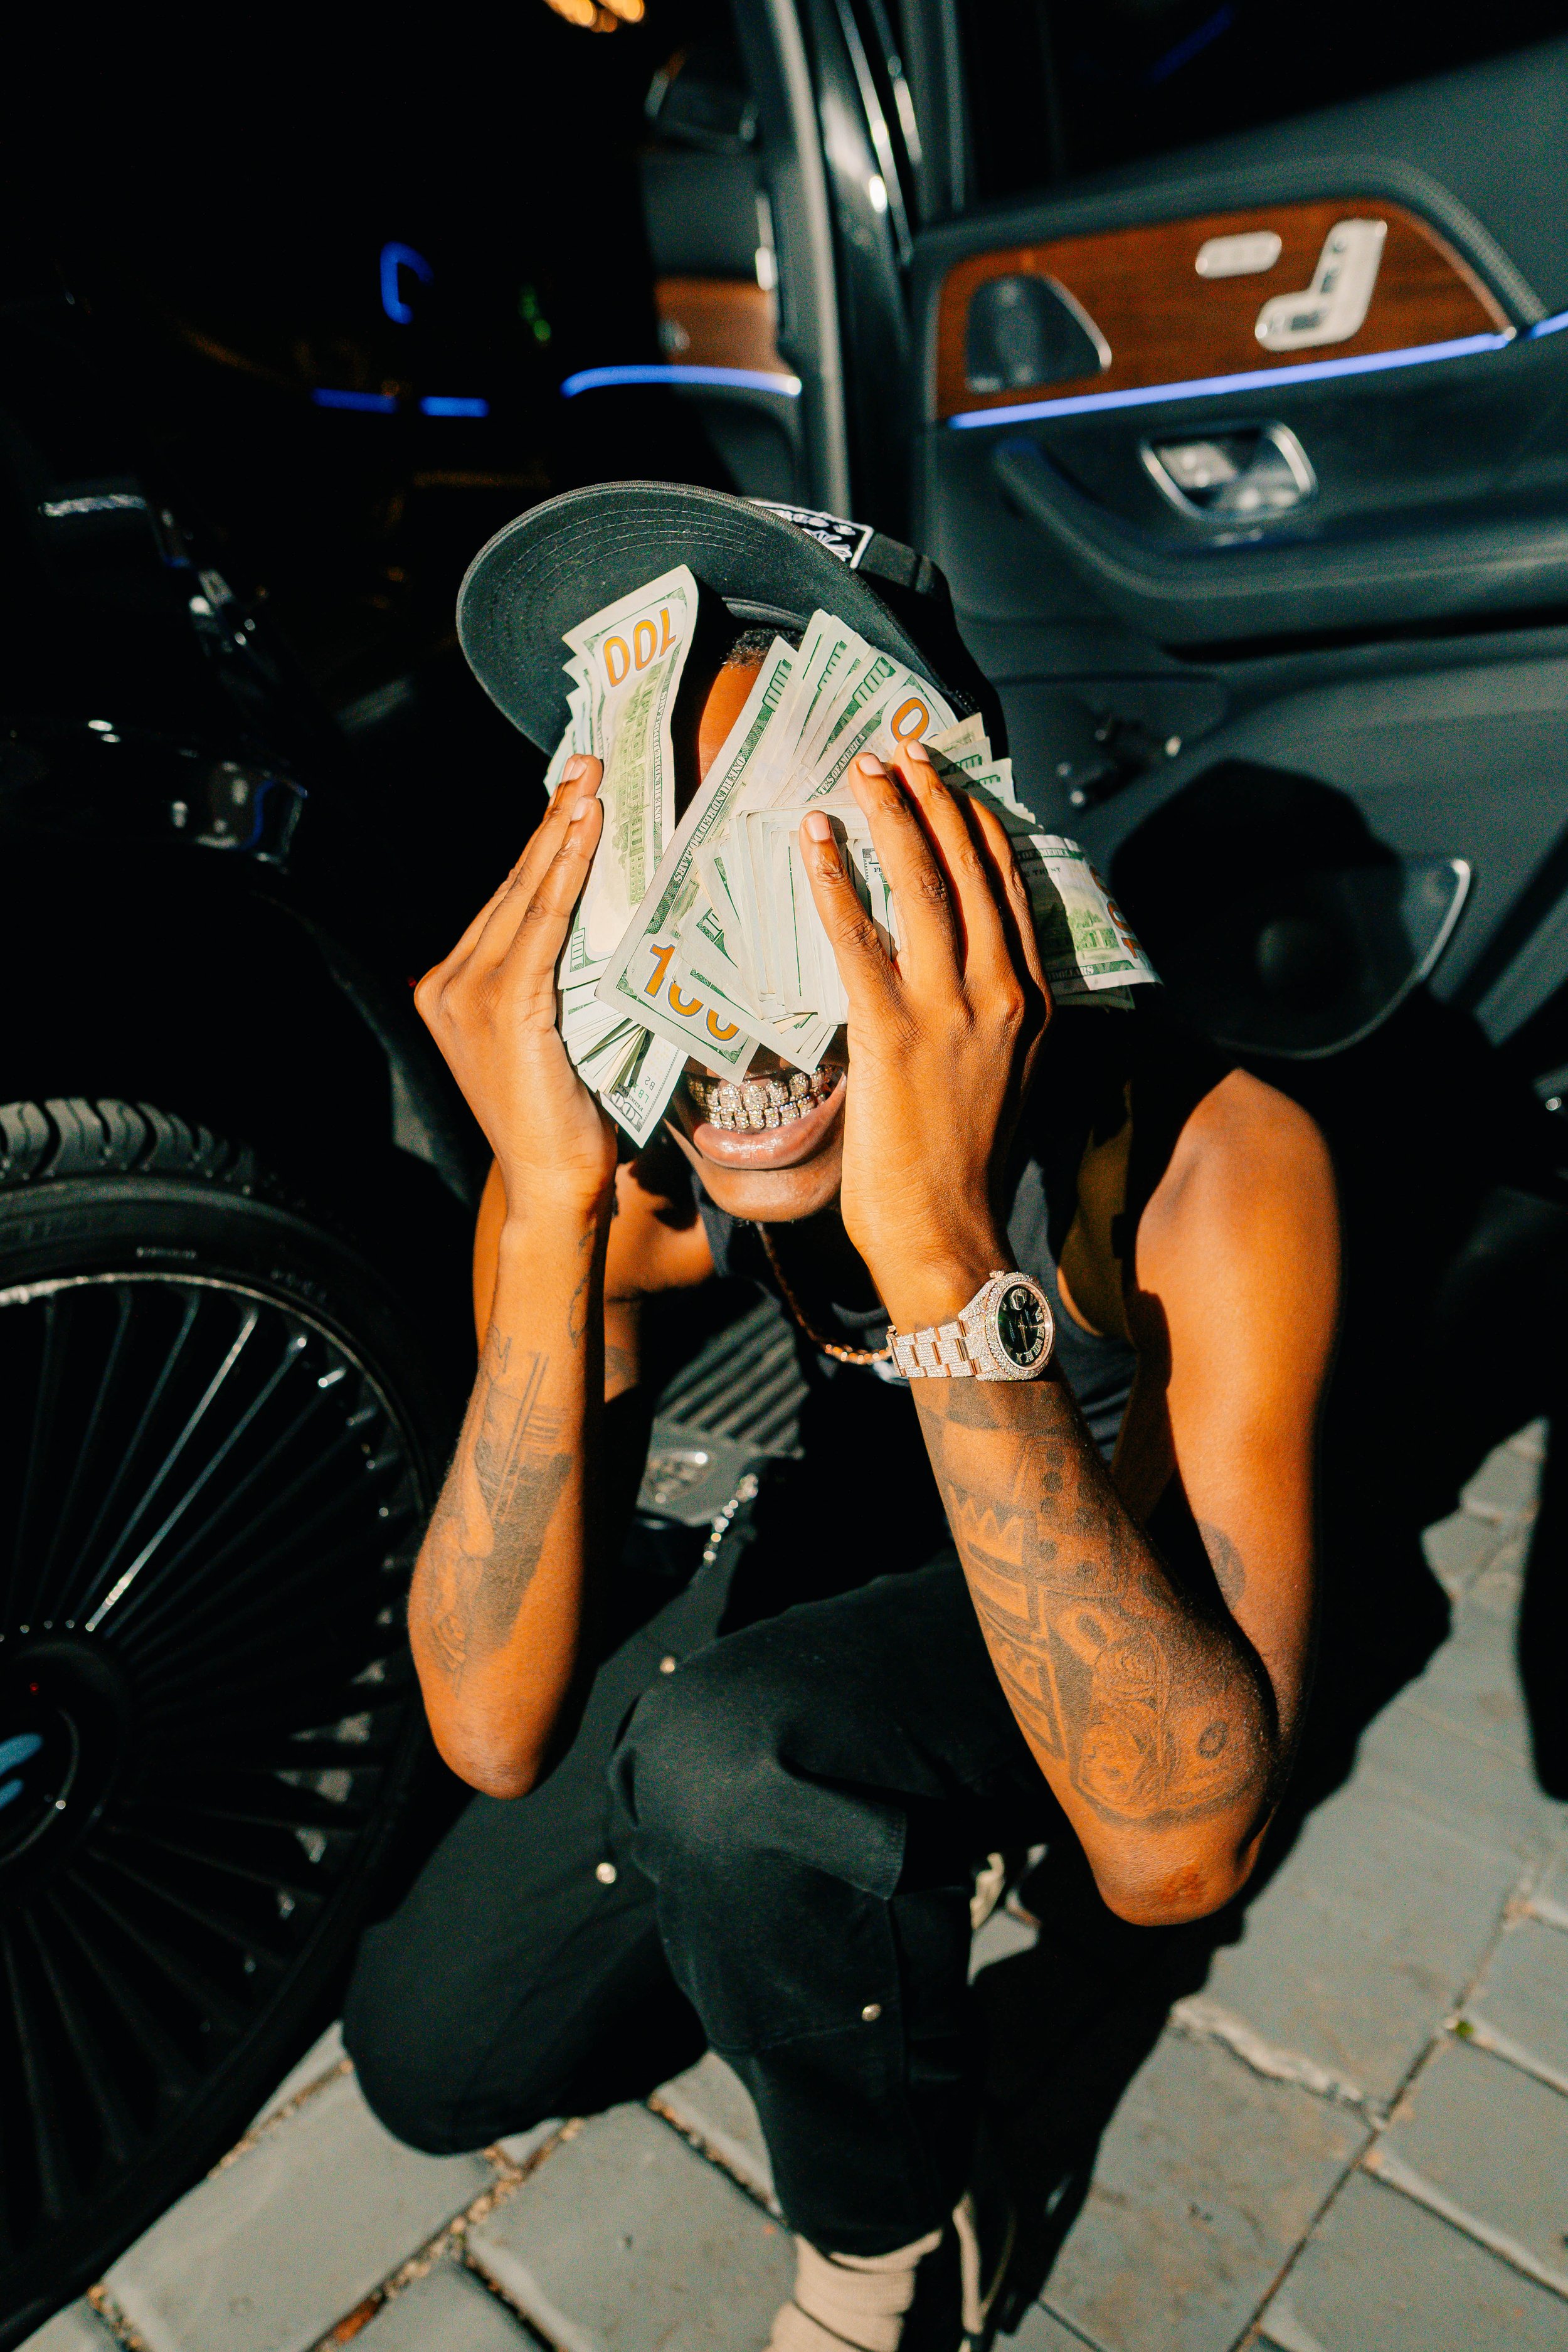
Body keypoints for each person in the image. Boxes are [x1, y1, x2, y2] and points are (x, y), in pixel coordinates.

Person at [344, 489, 1339, 2352]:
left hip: (1077, 1583)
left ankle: (899, 2229)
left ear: (959, 847)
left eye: (779, 877)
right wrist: (545, 1204)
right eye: (654, 881)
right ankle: (832, 1889)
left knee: (738, 1762)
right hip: (841, 1547)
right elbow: (485, 1725)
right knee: (432, 2050)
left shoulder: (1207, 1164)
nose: (716, 1021)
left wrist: (941, 1248)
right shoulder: (634, 1155)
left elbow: (1185, 1846)